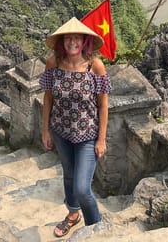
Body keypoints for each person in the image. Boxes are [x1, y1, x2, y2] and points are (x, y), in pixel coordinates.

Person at [40, 18, 111, 236]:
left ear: (84, 41)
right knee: (68, 175)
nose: (72, 42)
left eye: (77, 37)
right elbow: (48, 99)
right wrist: (45, 130)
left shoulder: (94, 66)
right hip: (61, 131)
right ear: (62, 41)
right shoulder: (53, 63)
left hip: (87, 135)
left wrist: (101, 138)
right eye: (68, 38)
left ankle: (94, 227)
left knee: (82, 187)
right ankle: (73, 214)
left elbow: (103, 104)